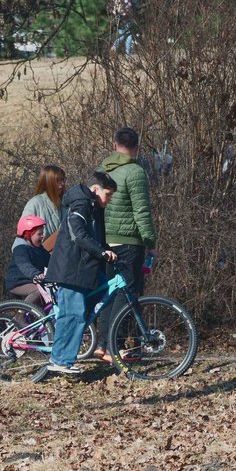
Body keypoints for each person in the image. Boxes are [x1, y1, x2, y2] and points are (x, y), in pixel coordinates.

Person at [44, 172, 118, 375]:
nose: (109, 200)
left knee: (104, 292)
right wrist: (102, 252)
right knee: (72, 314)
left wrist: (112, 252)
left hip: (85, 270)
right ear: (95, 190)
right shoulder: (81, 204)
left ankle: (68, 347)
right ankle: (60, 359)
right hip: (71, 269)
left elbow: (98, 239)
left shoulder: (95, 207)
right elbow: (78, 233)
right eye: (108, 194)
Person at [95, 127, 157, 363]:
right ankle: (114, 346)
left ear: (114, 146)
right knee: (127, 294)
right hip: (129, 241)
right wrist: (150, 243)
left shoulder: (102, 169)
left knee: (109, 293)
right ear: (137, 148)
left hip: (104, 241)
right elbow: (142, 211)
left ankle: (102, 344)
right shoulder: (135, 172)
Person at [13, 165, 66, 251]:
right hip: (41, 257)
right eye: (58, 181)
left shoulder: (65, 204)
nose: (62, 184)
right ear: (49, 182)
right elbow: (22, 236)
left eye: (62, 180)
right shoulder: (35, 203)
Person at [4, 215, 50, 306]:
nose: (42, 236)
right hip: (18, 282)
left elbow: (51, 262)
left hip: (31, 280)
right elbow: (24, 265)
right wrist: (36, 274)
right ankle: (20, 317)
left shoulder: (39, 249)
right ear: (28, 235)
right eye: (39, 234)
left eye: (43, 233)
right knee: (37, 291)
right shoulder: (20, 249)